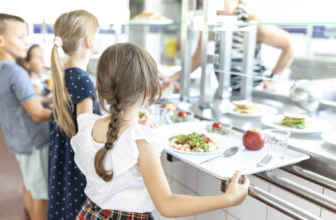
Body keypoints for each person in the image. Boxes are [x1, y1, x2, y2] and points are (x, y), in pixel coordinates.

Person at [71, 43, 249, 219]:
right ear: (149, 90)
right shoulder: (140, 141)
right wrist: (228, 199)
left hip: (90, 213)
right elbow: (167, 205)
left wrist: (136, 124)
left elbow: (117, 137)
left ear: (101, 86)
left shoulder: (89, 125)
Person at [0, 13, 51, 220]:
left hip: (17, 140)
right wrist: (66, 113)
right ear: (0, 40)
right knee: (41, 193)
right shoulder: (16, 72)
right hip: (33, 142)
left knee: (30, 186)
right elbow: (38, 114)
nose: (26, 42)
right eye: (20, 37)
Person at [48, 10, 101, 220]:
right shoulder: (82, 79)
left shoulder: (66, 73)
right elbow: (86, 130)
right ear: (88, 40)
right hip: (78, 160)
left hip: (63, 155)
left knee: (66, 205)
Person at [171, 0, 294, 91]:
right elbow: (198, 58)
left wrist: (273, 78)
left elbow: (289, 44)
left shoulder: (248, 19)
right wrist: (171, 78)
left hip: (255, 90)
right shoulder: (211, 19)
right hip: (227, 92)